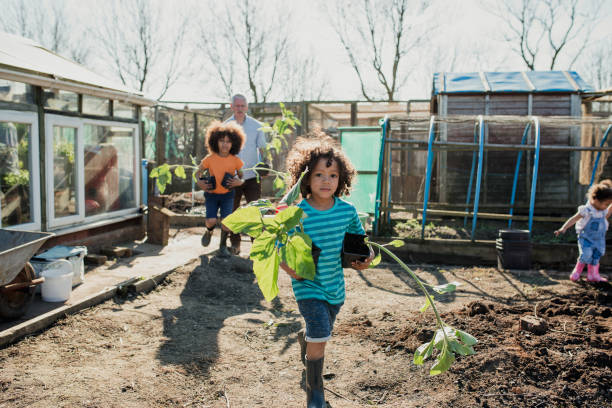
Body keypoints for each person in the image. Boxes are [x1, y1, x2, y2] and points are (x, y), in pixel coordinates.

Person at [279, 135, 374, 408]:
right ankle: (315, 391)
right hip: (307, 285)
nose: (326, 180)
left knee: (319, 331)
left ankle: (306, 339)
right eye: (319, 174)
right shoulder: (297, 212)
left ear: (341, 179)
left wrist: (366, 257)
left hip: (335, 287)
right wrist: (291, 270)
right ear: (304, 179)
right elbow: (279, 245)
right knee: (321, 332)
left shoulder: (347, 211)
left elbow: (359, 243)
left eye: (332, 175)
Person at [224, 94, 268, 255]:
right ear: (232, 107)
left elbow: (263, 149)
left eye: (243, 106)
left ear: (247, 107)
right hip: (232, 177)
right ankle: (235, 244)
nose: (240, 109)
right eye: (237, 106)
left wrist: (265, 164)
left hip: (251, 176)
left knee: (255, 211)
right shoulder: (225, 126)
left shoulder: (257, 126)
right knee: (232, 211)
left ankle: (256, 246)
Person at [195, 121, 245, 258]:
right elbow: (197, 173)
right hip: (211, 194)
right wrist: (200, 182)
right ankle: (209, 231)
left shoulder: (235, 160)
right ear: (214, 141)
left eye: (228, 141)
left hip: (228, 195)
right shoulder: (209, 159)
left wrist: (238, 182)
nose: (225, 144)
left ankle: (222, 246)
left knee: (226, 222)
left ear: (234, 143)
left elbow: (242, 177)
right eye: (221, 140)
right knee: (211, 220)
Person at [555, 179, 612, 282]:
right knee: (586, 255)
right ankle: (577, 271)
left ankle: (593, 275)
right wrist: (563, 228)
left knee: (596, 256)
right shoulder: (587, 210)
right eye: (606, 204)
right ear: (596, 200)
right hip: (586, 238)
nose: (606, 207)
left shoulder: (602, 210)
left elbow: (607, 214)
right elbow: (574, 218)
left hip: (599, 239)